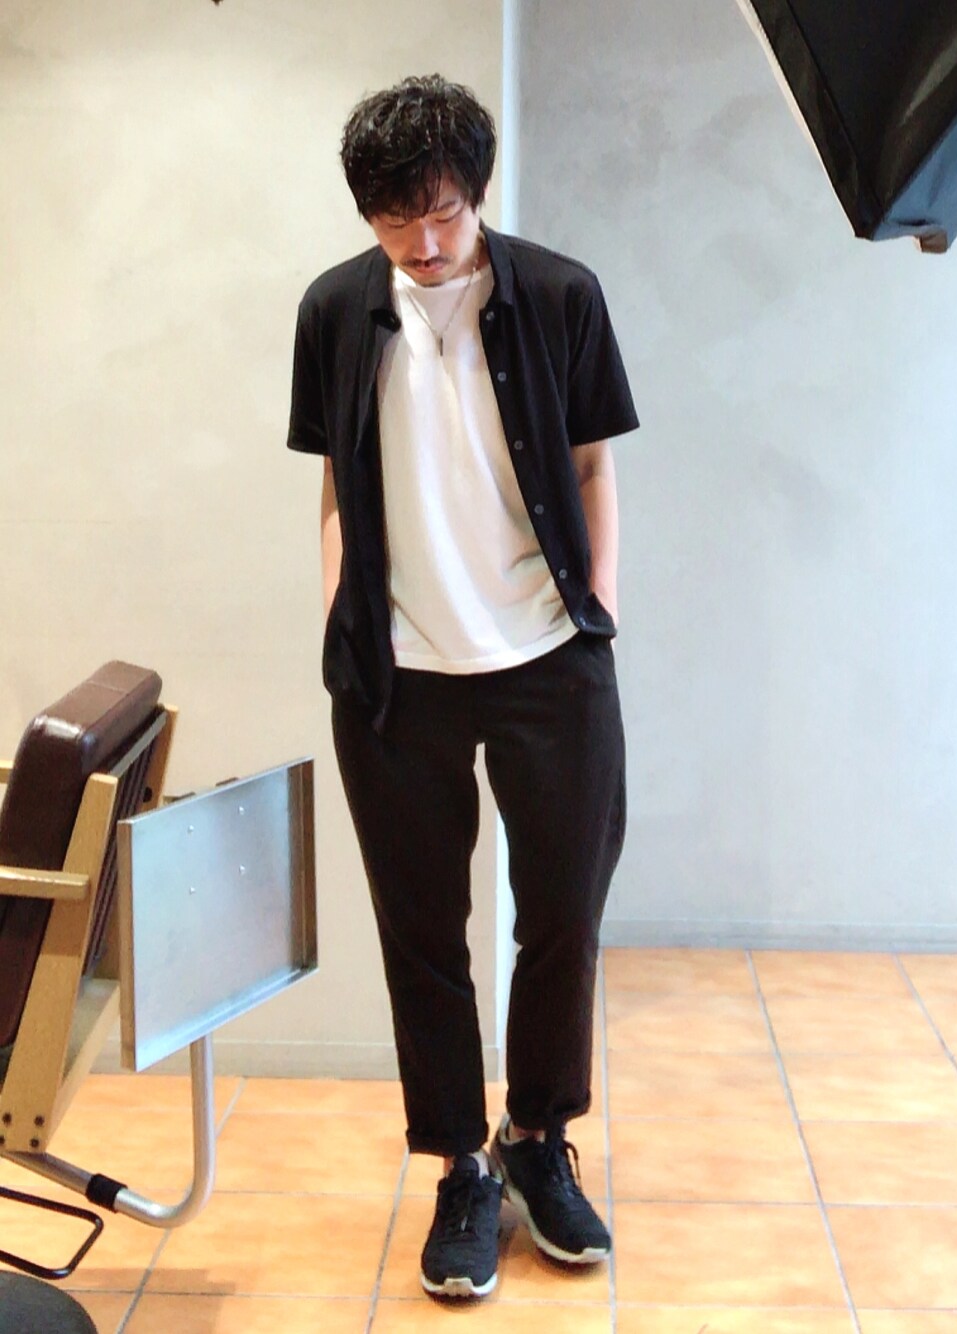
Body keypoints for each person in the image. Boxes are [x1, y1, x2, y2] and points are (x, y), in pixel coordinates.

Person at [287, 73, 638, 1300]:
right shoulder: (334, 308)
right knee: (422, 931)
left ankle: (537, 1138)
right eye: (396, 221)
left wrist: (597, 611)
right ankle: (459, 1165)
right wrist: (342, 614)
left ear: (476, 193)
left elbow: (590, 466)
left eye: (440, 214)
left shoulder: (558, 294)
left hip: (548, 658)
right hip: (399, 677)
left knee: (562, 914)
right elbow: (335, 481)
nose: (423, 244)